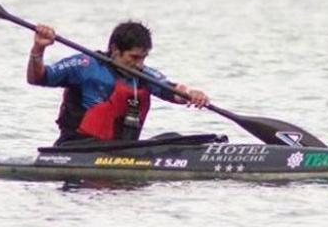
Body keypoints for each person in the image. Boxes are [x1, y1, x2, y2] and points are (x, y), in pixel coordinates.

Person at [27, 21, 210, 145]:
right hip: (77, 148)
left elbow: (173, 90)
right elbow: (38, 78)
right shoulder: (85, 65)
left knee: (174, 139)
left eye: (143, 58)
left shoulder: (143, 75)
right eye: (134, 57)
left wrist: (192, 94)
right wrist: (39, 48)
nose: (139, 64)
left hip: (120, 151)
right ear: (115, 49)